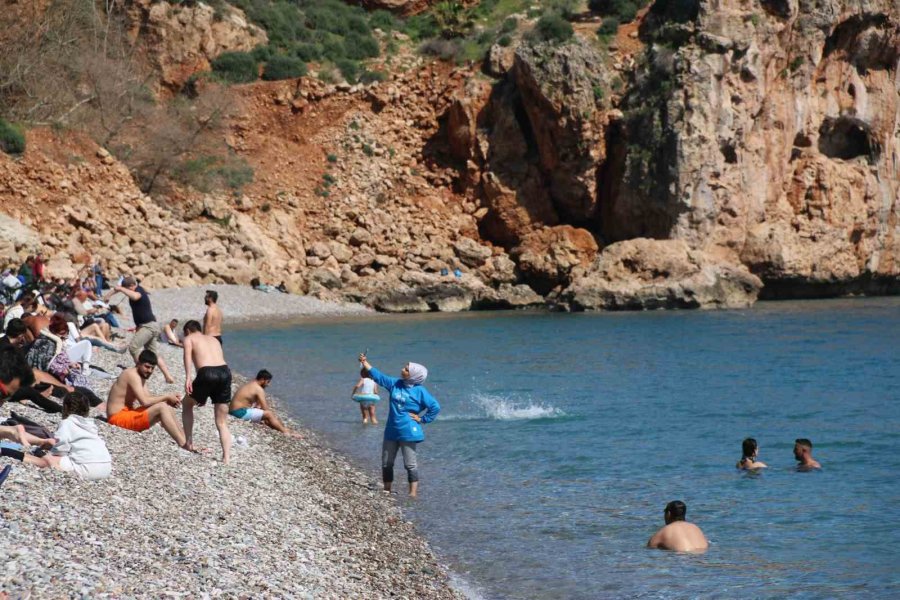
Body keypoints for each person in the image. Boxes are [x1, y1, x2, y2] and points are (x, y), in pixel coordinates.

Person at [358, 353, 440, 498]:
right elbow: (379, 377)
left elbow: (435, 407)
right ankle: (387, 491)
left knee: (410, 464)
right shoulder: (395, 384)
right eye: (405, 367)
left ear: (414, 375)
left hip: (408, 432)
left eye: (406, 369)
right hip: (391, 430)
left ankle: (412, 494)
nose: (403, 369)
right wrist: (365, 362)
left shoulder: (420, 391)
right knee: (386, 462)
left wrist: (422, 419)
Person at [12, 391, 112, 480]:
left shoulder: (67, 422)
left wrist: (52, 452)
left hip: (88, 469)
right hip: (106, 467)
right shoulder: (91, 425)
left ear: (65, 407)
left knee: (48, 459)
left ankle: (19, 456)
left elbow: (61, 447)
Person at [106, 350, 187, 448]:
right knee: (161, 407)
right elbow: (144, 402)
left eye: (152, 368)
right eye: (147, 367)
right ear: (138, 363)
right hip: (117, 418)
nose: (150, 371)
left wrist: (167, 401)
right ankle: (183, 444)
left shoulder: (140, 376)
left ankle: (187, 441)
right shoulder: (131, 374)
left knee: (166, 406)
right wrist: (166, 396)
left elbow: (149, 399)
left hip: (127, 413)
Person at [182, 320, 233, 464]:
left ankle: (189, 443)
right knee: (222, 421)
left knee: (186, 404)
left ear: (187, 331)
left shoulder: (189, 338)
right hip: (225, 372)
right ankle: (226, 458)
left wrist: (188, 378)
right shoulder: (214, 339)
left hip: (206, 373)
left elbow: (187, 358)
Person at [111, 277, 175, 383]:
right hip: (148, 325)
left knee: (133, 347)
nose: (126, 292)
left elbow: (135, 297)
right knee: (153, 354)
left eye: (126, 289)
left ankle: (140, 372)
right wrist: (107, 296)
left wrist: (122, 289)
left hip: (149, 326)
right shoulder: (135, 290)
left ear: (131, 286)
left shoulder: (138, 290)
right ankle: (168, 377)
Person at [229, 369, 301, 437]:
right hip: (239, 412)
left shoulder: (251, 384)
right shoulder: (258, 389)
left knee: (266, 418)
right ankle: (285, 432)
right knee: (269, 414)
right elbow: (265, 408)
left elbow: (257, 405)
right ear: (262, 379)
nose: (268, 385)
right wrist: (270, 416)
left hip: (234, 411)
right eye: (268, 382)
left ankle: (282, 428)